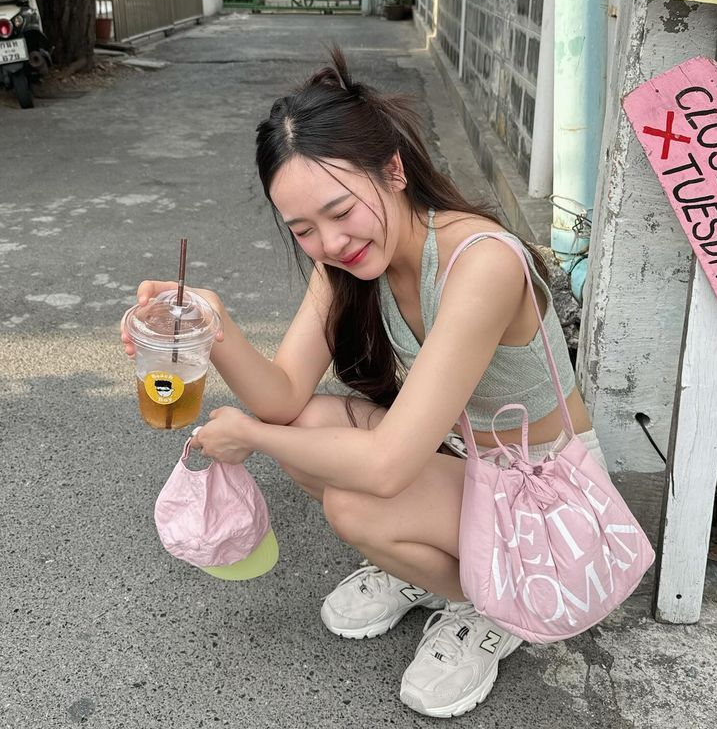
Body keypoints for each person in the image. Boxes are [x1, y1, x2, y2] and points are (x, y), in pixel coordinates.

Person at [121, 48, 608, 719]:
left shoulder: (482, 263)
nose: (330, 242)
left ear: (395, 170)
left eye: (340, 210)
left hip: (549, 500)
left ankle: (491, 608)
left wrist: (251, 439)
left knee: (355, 505)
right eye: (303, 230)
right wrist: (214, 327)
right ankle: (428, 567)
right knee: (310, 427)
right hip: (471, 460)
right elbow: (283, 396)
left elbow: (382, 467)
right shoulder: (350, 263)